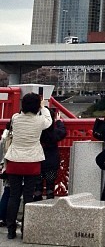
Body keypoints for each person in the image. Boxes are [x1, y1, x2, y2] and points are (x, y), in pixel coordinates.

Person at [3, 93, 52, 239]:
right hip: (32, 161)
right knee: (28, 197)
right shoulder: (40, 121)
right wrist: (43, 107)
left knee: (14, 196)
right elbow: (49, 120)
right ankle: (26, 229)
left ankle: (11, 230)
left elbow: (14, 121)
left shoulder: (15, 118)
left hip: (14, 160)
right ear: (37, 105)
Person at [34, 108, 66, 201]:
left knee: (37, 186)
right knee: (50, 186)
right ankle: (49, 204)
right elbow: (63, 132)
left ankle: (36, 203)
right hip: (52, 161)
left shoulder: (36, 131)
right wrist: (59, 122)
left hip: (37, 160)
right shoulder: (54, 132)